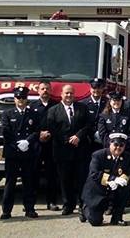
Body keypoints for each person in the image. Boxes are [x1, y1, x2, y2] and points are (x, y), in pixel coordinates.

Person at [44, 84, 92, 219]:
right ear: (61, 94)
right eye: (66, 93)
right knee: (65, 180)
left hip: (80, 150)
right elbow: (52, 128)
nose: (69, 96)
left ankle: (83, 204)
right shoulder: (53, 111)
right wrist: (67, 140)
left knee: (81, 179)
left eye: (71, 93)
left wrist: (78, 136)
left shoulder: (82, 108)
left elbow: (88, 124)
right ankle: (68, 204)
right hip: (62, 151)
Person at [0, 86, 41, 219]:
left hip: (28, 152)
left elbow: (37, 130)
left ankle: (29, 209)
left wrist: (27, 142)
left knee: (28, 182)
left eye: (23, 98)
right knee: (10, 183)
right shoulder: (7, 114)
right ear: (14, 99)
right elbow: (6, 132)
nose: (21, 100)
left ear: (27, 99)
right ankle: (6, 210)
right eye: (18, 98)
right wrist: (17, 144)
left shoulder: (33, 114)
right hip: (12, 152)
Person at [81, 132, 130, 226]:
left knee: (125, 188)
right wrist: (111, 179)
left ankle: (117, 218)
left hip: (113, 191)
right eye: (116, 144)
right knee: (96, 222)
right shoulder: (98, 155)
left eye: (121, 145)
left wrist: (120, 180)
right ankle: (85, 209)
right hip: (97, 192)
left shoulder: (127, 157)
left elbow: (128, 173)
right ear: (110, 143)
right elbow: (94, 174)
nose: (118, 147)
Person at [32, 80, 60, 211]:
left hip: (52, 145)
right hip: (36, 145)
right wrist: (39, 134)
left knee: (51, 175)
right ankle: (30, 203)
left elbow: (60, 124)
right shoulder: (32, 106)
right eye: (42, 89)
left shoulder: (56, 106)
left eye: (47, 89)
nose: (45, 91)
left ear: (51, 91)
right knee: (33, 174)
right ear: (38, 91)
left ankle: (51, 202)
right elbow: (29, 126)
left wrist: (50, 134)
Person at [83, 78, 107, 146]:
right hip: (88, 139)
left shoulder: (107, 103)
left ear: (102, 89)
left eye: (99, 88)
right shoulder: (83, 104)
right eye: (94, 88)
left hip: (103, 139)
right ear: (90, 89)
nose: (96, 90)